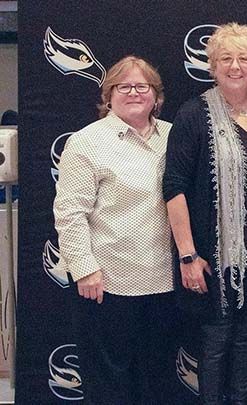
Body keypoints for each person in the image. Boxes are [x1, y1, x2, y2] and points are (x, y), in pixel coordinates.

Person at [162, 23, 247, 405]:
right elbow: (174, 187)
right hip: (212, 254)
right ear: (212, 66)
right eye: (226, 59)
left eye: (244, 59)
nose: (236, 66)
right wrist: (187, 254)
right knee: (216, 339)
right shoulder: (193, 114)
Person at [53, 55, 176, 403]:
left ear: (156, 95)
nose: (134, 93)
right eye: (124, 86)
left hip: (164, 282)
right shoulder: (86, 142)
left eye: (143, 86)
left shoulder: (173, 136)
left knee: (156, 379)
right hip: (107, 283)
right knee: (110, 381)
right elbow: (70, 212)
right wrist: (85, 269)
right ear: (108, 95)